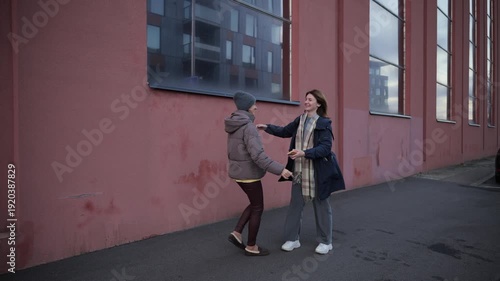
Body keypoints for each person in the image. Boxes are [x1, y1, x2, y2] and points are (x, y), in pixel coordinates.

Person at [256, 89, 345, 255]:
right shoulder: (300, 120)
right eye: (306, 99)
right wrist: (267, 127)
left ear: (318, 103)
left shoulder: (324, 123)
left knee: (322, 207)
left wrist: (304, 153)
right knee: (295, 206)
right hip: (298, 171)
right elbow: (285, 131)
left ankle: (326, 241)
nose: (306, 102)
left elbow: (325, 149)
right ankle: (292, 239)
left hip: (318, 173)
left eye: (310, 100)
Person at [225, 91, 293, 256]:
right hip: (249, 175)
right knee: (258, 207)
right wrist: (281, 170)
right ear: (247, 107)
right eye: (253, 104)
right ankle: (251, 246)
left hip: (237, 173)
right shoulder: (248, 127)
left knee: (254, 203)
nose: (256, 107)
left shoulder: (234, 124)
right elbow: (258, 156)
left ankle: (237, 232)